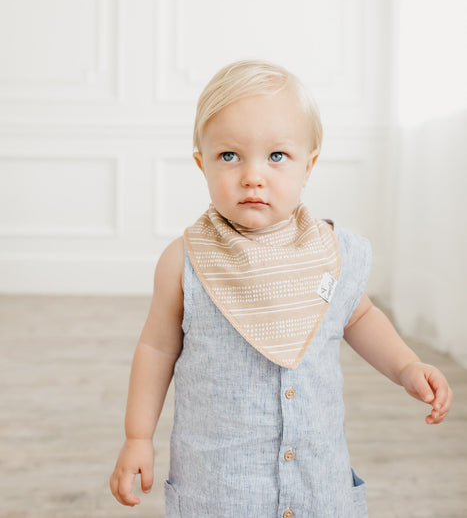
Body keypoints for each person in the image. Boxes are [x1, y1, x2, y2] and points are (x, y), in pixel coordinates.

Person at [110, 60, 453, 517]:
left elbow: (360, 316)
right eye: (229, 156)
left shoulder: (331, 253)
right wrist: (137, 436)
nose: (253, 176)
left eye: (276, 156)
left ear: (308, 165)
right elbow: (156, 348)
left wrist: (407, 366)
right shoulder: (185, 261)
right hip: (222, 484)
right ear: (201, 163)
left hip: (316, 478)